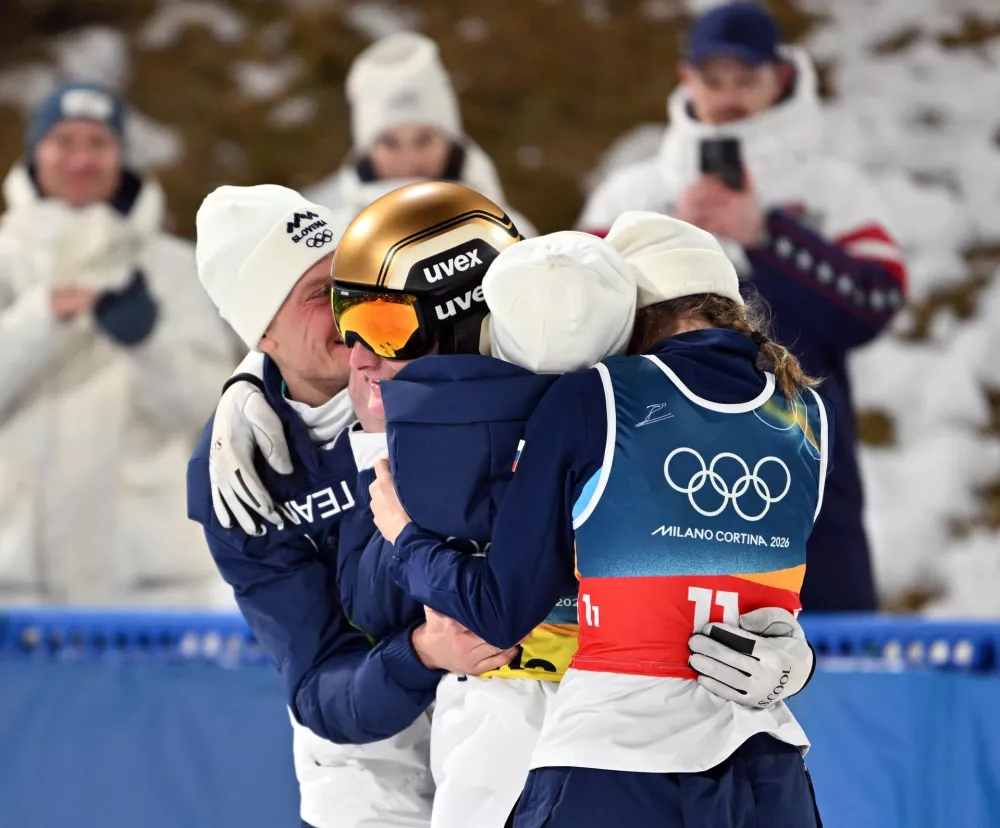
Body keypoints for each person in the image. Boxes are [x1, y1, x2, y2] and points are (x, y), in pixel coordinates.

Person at [370, 211, 827, 826]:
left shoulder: (601, 393)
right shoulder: (806, 414)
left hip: (616, 766)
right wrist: (800, 664)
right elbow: (769, 597)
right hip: (769, 772)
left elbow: (500, 608)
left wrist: (405, 539)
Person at [187, 183, 522, 828]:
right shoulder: (239, 469)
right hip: (371, 757)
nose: (351, 307)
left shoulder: (438, 357)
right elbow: (317, 686)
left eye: (350, 278)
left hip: (499, 705)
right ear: (263, 334)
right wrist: (420, 652)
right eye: (321, 295)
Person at [577, 2, 907, 611]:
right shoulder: (635, 192)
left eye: (746, 80)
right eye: (713, 79)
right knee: (668, 645)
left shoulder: (831, 189)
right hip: (660, 455)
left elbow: (877, 303)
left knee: (825, 649)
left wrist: (769, 236)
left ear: (781, 78)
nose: (728, 96)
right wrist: (670, 244)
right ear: (686, 77)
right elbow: (578, 324)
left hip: (805, 445)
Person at [0, 82, 233, 606]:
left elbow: (214, 414)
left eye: (98, 143)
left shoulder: (175, 268)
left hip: (150, 586)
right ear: (36, 151)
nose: (81, 159)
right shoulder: (4, 261)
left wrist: (148, 342)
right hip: (15, 581)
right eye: (64, 141)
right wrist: (40, 318)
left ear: (120, 156)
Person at [305, 32, 537, 236]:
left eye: (424, 140)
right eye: (390, 143)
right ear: (368, 150)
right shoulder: (340, 245)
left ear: (449, 140)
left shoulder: (510, 233)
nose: (411, 160)